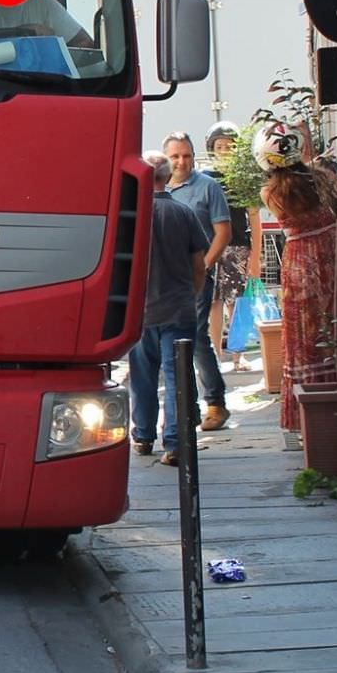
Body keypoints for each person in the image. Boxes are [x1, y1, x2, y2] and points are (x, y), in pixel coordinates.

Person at [129, 150, 210, 466]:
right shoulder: (184, 213)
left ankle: (143, 435)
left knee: (142, 376)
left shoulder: (132, 216)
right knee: (177, 376)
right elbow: (199, 265)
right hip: (178, 308)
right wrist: (193, 294)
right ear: (166, 177)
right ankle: (175, 444)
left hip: (140, 311)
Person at [261, 157, 337, 434]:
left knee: (301, 336)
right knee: (334, 323)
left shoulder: (271, 193)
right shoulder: (323, 180)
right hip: (329, 254)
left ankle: (303, 413)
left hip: (299, 260)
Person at [161, 132, 232, 430]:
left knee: (197, 338)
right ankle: (181, 411)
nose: (181, 161)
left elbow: (223, 232)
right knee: (168, 343)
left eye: (186, 155)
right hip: (163, 280)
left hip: (195, 277)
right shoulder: (157, 187)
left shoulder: (208, 186)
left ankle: (215, 402)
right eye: (175, 156)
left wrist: (202, 265)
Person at [203, 122, 257, 371]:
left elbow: (253, 216)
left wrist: (256, 254)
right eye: (219, 146)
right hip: (211, 245)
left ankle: (238, 354)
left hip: (238, 245)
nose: (224, 150)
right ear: (212, 149)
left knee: (236, 301)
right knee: (212, 302)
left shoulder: (243, 178)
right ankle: (215, 353)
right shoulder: (204, 177)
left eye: (229, 146)